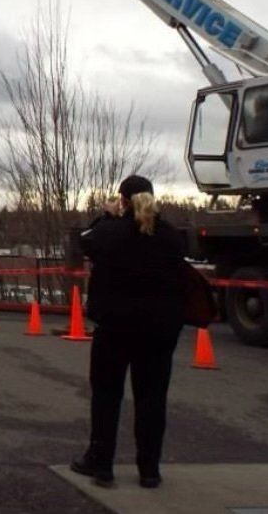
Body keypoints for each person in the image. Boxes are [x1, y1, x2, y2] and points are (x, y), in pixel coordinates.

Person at [70, 174, 185, 490]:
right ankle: (149, 469)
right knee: (152, 398)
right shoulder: (172, 236)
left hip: (115, 326)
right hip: (159, 330)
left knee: (107, 395)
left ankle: (101, 463)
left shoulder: (109, 232)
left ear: (122, 201)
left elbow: (85, 240)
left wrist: (108, 215)